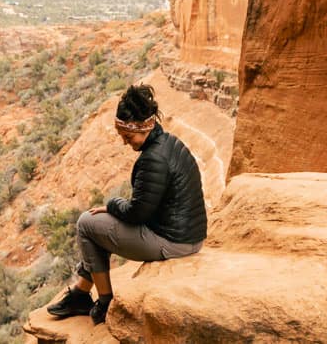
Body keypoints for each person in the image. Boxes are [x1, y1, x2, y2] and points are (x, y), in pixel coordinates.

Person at [46, 83, 207, 324]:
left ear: (144, 127)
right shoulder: (169, 142)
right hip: (188, 235)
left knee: (86, 224)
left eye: (128, 137)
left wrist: (112, 205)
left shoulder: (153, 159)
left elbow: (137, 213)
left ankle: (104, 301)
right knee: (98, 225)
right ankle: (81, 291)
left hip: (174, 242)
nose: (125, 142)